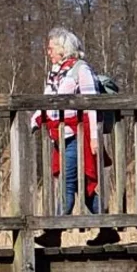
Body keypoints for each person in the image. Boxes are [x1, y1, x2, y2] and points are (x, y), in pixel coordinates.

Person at [30, 27, 119, 248]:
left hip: (78, 136)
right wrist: (34, 121)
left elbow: (91, 105)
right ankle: (108, 230)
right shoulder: (56, 71)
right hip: (60, 136)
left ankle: (54, 233)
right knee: (82, 187)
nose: (48, 52)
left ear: (63, 48)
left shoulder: (81, 69)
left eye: (51, 48)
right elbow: (48, 101)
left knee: (69, 186)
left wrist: (94, 138)